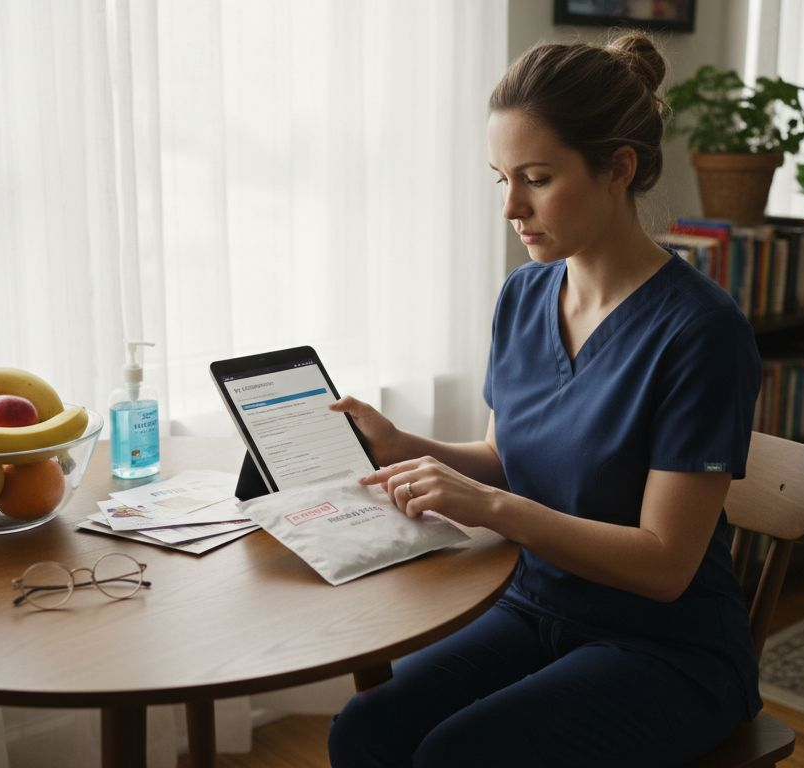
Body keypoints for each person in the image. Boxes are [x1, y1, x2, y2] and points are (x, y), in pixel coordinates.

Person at [325, 33, 763, 768]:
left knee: (458, 756)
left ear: (617, 169)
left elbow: (664, 565)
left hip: (666, 645)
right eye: (500, 179)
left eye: (534, 177)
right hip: (537, 607)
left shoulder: (701, 333)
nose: (511, 208)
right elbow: (503, 457)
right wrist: (406, 446)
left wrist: (492, 509)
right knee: (364, 729)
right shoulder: (524, 297)